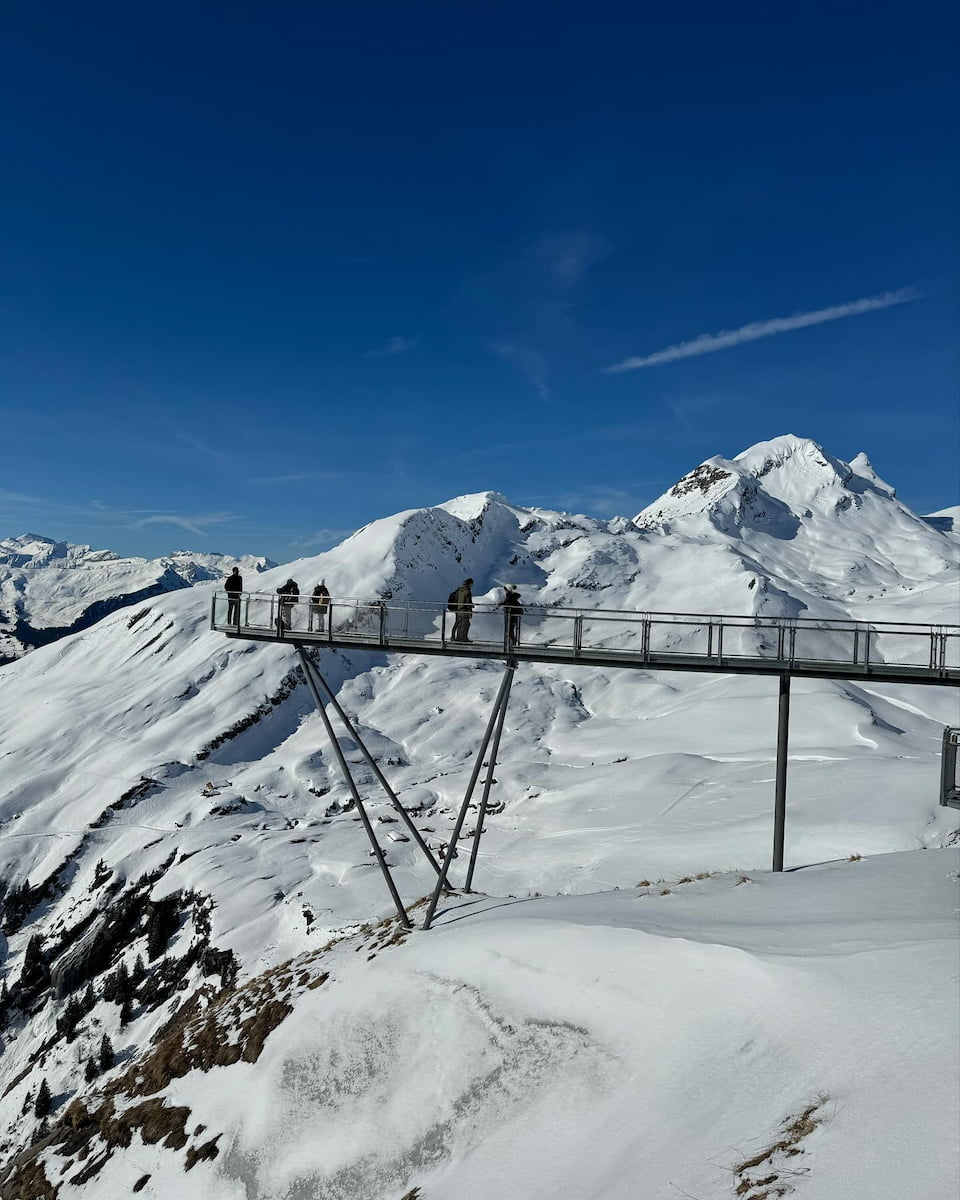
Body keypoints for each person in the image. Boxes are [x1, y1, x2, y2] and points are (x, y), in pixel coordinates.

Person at [451, 577, 474, 642]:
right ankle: (463, 638)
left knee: (458, 623)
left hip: (457, 610)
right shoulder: (467, 591)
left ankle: (455, 637)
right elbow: (468, 602)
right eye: (472, 584)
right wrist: (470, 612)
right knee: (466, 624)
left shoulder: (459, 590)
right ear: (470, 584)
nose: (472, 586)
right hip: (464, 610)